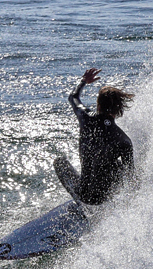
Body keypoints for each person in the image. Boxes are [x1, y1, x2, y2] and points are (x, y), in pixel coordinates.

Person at [54, 68, 135, 205]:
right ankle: (109, 207)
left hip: (82, 193)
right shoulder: (123, 140)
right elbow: (131, 178)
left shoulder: (85, 117)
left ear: (98, 104)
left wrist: (83, 81)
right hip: (103, 199)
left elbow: (72, 97)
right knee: (121, 166)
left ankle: (82, 203)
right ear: (119, 108)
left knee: (59, 162)